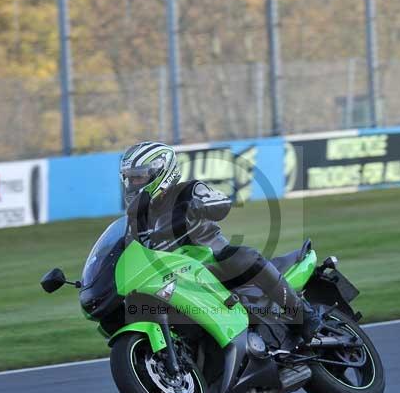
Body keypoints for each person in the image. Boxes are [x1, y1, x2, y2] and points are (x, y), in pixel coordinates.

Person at [119, 141, 323, 342]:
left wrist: (200, 205)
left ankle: (304, 315)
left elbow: (221, 202)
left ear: (160, 171)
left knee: (242, 257)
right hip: (174, 276)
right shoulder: (137, 217)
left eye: (138, 177)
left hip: (211, 261)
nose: (133, 183)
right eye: (130, 178)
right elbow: (127, 248)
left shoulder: (188, 190)